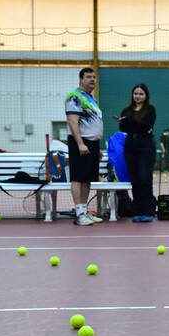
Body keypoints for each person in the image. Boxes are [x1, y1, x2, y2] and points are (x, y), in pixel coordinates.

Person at [65, 67, 103, 226]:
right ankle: (79, 214)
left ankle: (84, 211)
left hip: (92, 143)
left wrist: (97, 147)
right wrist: (80, 144)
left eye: (94, 77)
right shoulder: (75, 97)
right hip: (80, 142)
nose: (92, 79)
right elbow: (73, 122)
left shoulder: (91, 99)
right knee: (78, 178)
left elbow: (95, 125)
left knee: (87, 179)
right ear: (81, 79)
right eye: (88, 77)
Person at [114, 83, 157, 223]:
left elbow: (146, 127)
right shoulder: (126, 110)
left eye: (141, 94)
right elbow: (123, 128)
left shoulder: (150, 109)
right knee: (135, 179)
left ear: (146, 96)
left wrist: (130, 123)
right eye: (135, 94)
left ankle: (147, 211)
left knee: (145, 178)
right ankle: (138, 212)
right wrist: (134, 125)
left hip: (146, 147)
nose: (138, 96)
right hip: (130, 147)